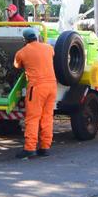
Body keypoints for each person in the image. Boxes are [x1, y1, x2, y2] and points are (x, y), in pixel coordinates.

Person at [13, 28, 57, 159]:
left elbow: (16, 65)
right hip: (51, 86)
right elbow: (51, 55)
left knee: (33, 118)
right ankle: (45, 147)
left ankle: (30, 148)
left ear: (25, 40)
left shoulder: (22, 52)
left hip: (37, 88)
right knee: (47, 117)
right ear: (37, 37)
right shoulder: (49, 48)